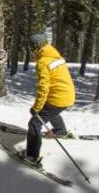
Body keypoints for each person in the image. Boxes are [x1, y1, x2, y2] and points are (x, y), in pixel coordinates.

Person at [24, 34, 75, 168]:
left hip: (57, 97)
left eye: (31, 48)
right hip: (67, 95)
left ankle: (32, 156)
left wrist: (37, 108)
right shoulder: (55, 56)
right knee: (51, 111)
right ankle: (60, 130)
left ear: (36, 47)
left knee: (34, 123)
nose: (31, 51)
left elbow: (43, 88)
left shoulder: (43, 62)